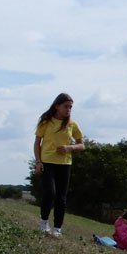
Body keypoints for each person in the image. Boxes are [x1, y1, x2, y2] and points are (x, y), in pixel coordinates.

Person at [33, 92, 84, 237]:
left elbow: (81, 145)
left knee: (61, 197)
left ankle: (57, 229)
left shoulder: (72, 124)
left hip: (65, 163)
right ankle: (43, 223)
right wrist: (38, 161)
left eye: (70, 107)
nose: (68, 109)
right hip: (47, 162)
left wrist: (70, 148)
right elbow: (37, 143)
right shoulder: (46, 121)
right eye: (66, 106)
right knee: (50, 193)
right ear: (57, 106)